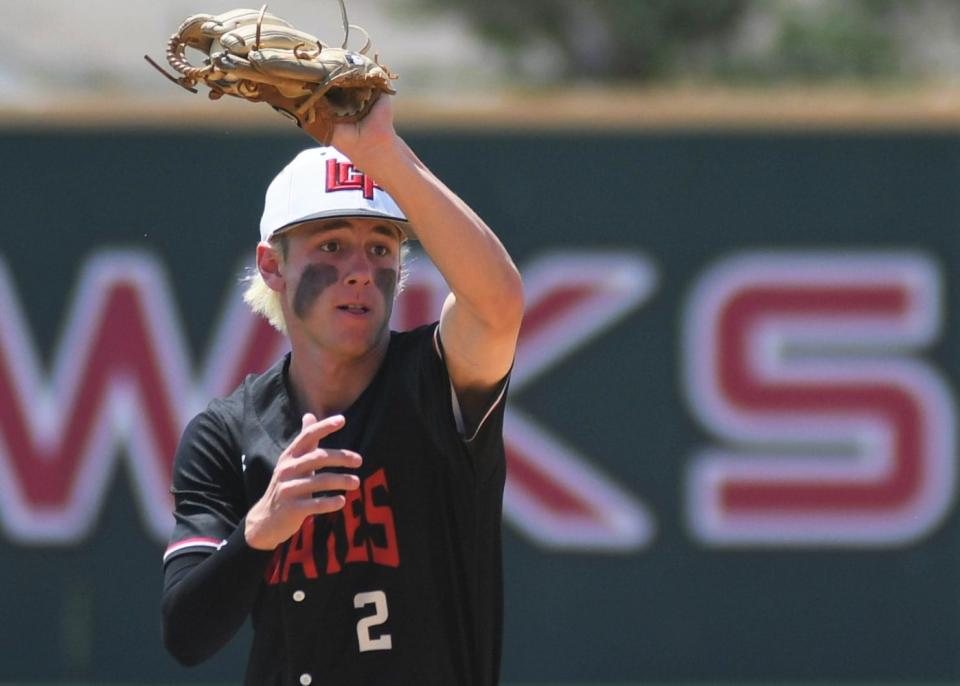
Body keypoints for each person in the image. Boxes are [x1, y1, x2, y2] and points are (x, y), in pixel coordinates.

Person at [160, 96, 524, 686]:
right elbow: (186, 633)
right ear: (272, 266)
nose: (360, 269)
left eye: (381, 247)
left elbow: (498, 304)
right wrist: (261, 528)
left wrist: (382, 152)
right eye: (331, 245)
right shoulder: (227, 433)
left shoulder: (435, 380)